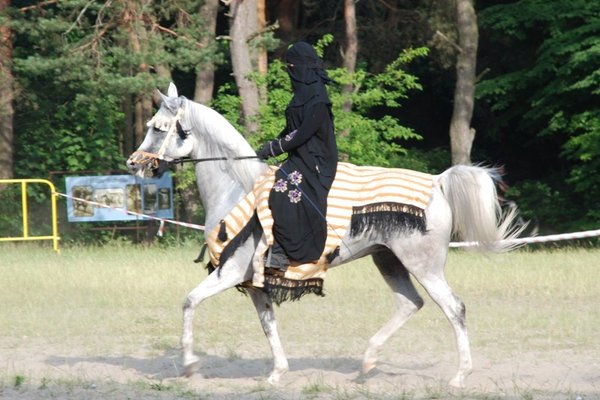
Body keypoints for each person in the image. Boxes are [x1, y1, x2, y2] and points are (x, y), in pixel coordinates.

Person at [256, 41, 338, 270]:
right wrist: (271, 144)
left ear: (301, 67)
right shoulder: (299, 97)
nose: (289, 70)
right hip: (299, 155)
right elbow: (291, 129)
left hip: (317, 160)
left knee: (281, 193)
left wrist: (275, 148)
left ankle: (286, 253)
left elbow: (303, 134)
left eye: (291, 65)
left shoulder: (318, 101)